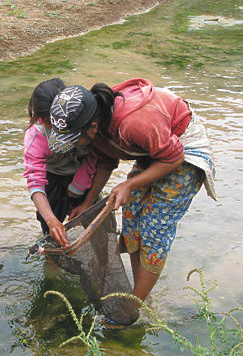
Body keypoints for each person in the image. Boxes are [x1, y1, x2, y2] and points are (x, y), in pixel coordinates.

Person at [47, 79, 216, 324]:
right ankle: (141, 293)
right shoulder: (97, 124)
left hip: (185, 151)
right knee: (132, 214)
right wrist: (88, 203)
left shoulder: (134, 123)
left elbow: (174, 158)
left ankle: (134, 307)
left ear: (92, 127)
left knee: (155, 226)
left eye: (75, 139)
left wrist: (129, 184)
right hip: (154, 149)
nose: (75, 146)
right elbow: (106, 161)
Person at [23, 78, 97, 246]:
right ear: (41, 118)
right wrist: (51, 220)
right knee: (51, 231)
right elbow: (35, 182)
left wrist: (81, 182)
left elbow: (97, 153)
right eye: (51, 123)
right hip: (53, 176)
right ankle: (53, 259)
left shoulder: (81, 114)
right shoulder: (36, 136)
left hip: (83, 171)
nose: (58, 129)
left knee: (91, 221)